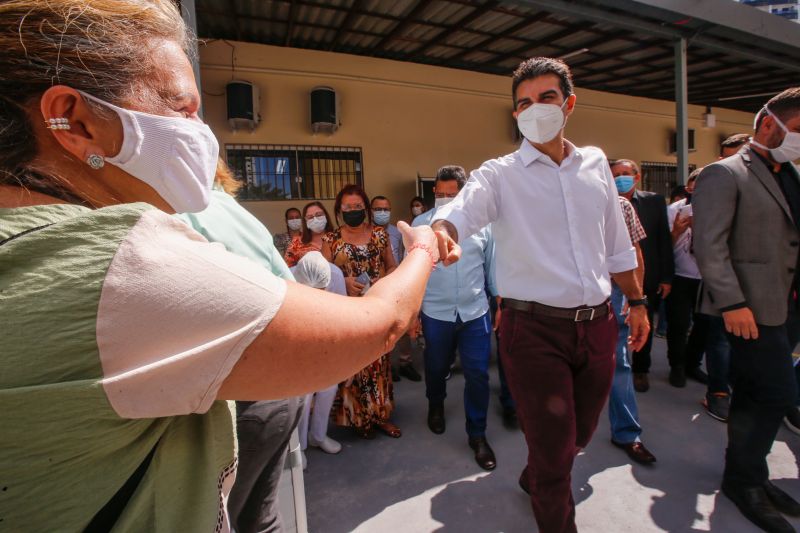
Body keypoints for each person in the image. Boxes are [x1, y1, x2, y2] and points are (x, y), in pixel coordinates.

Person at [0, 2, 439, 530]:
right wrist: (423, 250)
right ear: (75, 121)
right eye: (183, 110)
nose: (201, 134)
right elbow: (377, 324)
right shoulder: (119, 263)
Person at [431, 57, 649, 533]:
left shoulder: (594, 164)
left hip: (597, 326)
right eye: (523, 103)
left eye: (546, 98)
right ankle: (553, 505)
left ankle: (537, 474)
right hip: (532, 332)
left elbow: (617, 246)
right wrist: (441, 230)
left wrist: (636, 302)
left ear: (569, 104)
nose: (535, 110)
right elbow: (460, 212)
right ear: (514, 115)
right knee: (555, 449)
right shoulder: (499, 173)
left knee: (580, 433)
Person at [693, 88, 800, 533]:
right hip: (749, 310)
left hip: (785, 304)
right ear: (769, 123)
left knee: (758, 395)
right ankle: (744, 480)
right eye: (798, 130)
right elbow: (709, 245)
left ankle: (748, 474)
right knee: (776, 394)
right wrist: (732, 303)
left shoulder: (791, 173)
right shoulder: (726, 172)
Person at [178, 162, 305, 533]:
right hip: (279, 393)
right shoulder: (238, 214)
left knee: (221, 521)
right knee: (260, 518)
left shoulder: (178, 215)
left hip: (246, 402)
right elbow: (291, 290)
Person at [413, 165, 498, 471]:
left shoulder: (482, 226)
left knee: (478, 373)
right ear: (433, 192)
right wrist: (412, 311)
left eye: (452, 194)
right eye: (440, 193)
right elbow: (415, 274)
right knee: (436, 367)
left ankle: (477, 435)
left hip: (476, 311)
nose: (445, 198)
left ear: (463, 194)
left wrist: (498, 301)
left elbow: (492, 267)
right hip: (436, 312)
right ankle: (435, 404)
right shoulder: (421, 226)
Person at [322, 184, 402, 439]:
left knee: (379, 363)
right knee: (354, 367)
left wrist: (381, 282)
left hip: (376, 309)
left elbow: (393, 267)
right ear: (339, 210)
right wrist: (343, 282)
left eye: (358, 207)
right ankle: (359, 419)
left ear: (366, 209)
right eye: (348, 207)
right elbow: (323, 277)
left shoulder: (380, 234)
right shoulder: (330, 240)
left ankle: (381, 416)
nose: (353, 211)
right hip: (348, 312)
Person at [610, 159, 675, 392]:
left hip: (644, 275)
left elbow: (663, 241)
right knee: (616, 328)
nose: (620, 178)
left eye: (625, 173)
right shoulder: (605, 203)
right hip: (614, 279)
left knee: (641, 322)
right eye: (615, 174)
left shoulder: (653, 201)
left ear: (637, 177)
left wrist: (666, 277)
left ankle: (640, 369)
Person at [608, 196, 657, 464]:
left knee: (620, 364)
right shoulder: (554, 200)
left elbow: (634, 253)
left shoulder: (622, 207)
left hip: (614, 294)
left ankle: (627, 434)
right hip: (568, 298)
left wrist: (636, 300)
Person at [292, 252, 345, 465]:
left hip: (327, 339)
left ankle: (318, 436)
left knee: (328, 388)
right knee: (302, 397)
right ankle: (300, 446)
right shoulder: (286, 276)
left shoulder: (335, 274)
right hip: (298, 341)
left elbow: (342, 314)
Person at [665, 169, 709, 388]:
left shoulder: (718, 209)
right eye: (695, 181)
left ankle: (693, 363)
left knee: (704, 325)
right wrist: (676, 231)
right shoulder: (673, 210)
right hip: (681, 276)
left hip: (708, 277)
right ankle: (677, 366)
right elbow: (664, 248)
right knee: (679, 324)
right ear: (688, 186)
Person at [372, 194, 422, 382]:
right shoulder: (368, 233)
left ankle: (405, 363)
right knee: (379, 330)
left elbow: (404, 257)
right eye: (378, 209)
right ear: (371, 211)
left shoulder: (397, 233)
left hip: (398, 286)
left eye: (385, 209)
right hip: (375, 289)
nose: (382, 213)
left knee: (402, 326)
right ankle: (386, 368)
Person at [283, 201, 334, 267]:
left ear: (326, 216)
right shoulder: (296, 243)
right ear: (305, 221)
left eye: (319, 215)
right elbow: (287, 271)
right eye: (310, 217)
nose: (315, 220)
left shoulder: (338, 239)